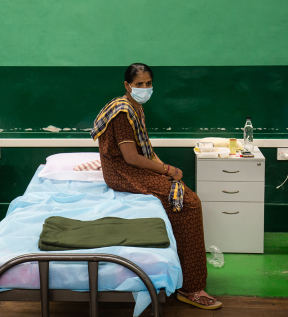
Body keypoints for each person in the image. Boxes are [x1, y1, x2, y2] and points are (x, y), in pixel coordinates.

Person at [90, 63, 222, 310]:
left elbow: (147, 151)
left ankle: (181, 272)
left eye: (148, 84)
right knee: (190, 203)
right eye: (139, 84)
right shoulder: (123, 112)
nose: (145, 88)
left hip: (128, 166)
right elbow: (130, 157)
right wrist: (167, 170)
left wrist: (167, 171)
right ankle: (191, 288)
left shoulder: (134, 107)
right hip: (121, 172)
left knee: (178, 189)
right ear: (127, 86)